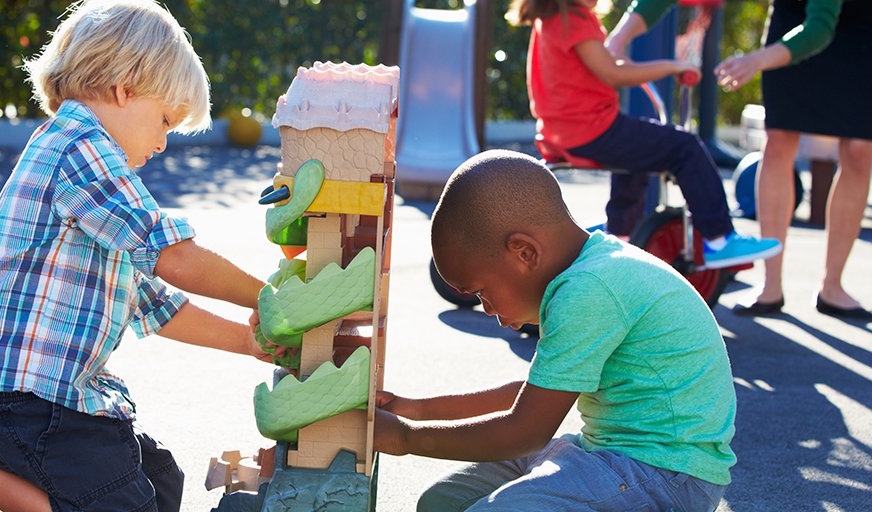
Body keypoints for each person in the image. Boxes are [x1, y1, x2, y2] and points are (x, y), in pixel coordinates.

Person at [0, 1, 274, 511]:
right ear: (124, 88)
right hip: (23, 400)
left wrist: (248, 340)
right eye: (165, 120)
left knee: (159, 481)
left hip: (41, 399)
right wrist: (271, 297)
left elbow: (154, 303)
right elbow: (173, 255)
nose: (161, 142)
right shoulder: (80, 148)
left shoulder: (91, 177)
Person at [374, 149, 734, 511]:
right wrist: (414, 410)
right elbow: (527, 397)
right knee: (442, 502)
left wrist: (405, 438)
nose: (486, 309)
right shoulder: (584, 271)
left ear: (525, 253)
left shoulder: (588, 289)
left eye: (482, 292)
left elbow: (526, 430)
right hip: (612, 454)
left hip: (666, 475)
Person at [609, 0, 872, 319]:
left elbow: (819, 27)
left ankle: (833, 286)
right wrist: (620, 37)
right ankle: (770, 285)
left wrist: (755, 61)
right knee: (778, 141)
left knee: (860, 150)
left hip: (857, 32)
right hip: (791, 23)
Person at [509, 0, 781, 270]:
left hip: (562, 131)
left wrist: (620, 63)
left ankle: (620, 234)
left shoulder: (551, 20)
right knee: (684, 146)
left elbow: (597, 66)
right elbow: (612, 73)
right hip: (590, 129)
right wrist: (672, 66)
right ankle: (720, 239)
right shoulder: (575, 21)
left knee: (638, 148)